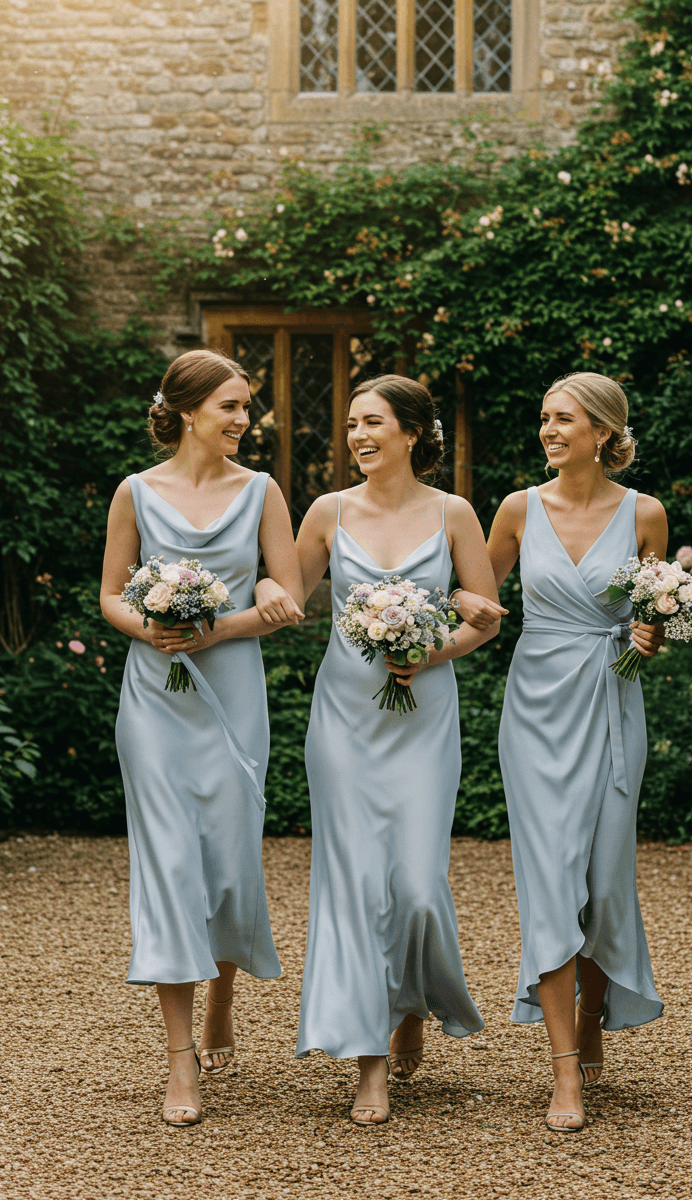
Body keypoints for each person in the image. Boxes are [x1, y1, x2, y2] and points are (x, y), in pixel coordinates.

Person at [257, 375, 499, 1126]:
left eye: (373, 424)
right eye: (353, 425)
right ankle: (368, 1066)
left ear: (411, 433)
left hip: (424, 717)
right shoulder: (328, 512)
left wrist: (436, 647)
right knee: (358, 885)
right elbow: (288, 593)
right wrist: (262, 590)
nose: (359, 436)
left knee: (420, 885)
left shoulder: (454, 513)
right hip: (345, 720)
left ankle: (411, 1003)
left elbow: (487, 618)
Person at [455, 371, 666, 1133]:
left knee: (605, 884)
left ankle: (593, 1014)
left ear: (605, 432)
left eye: (564, 419)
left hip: (612, 704)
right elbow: (474, 595)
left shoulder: (646, 514)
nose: (548, 431)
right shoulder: (516, 509)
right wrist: (431, 624)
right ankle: (564, 1074)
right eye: (544, 418)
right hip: (537, 708)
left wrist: (652, 632)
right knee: (549, 881)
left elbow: (654, 609)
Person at [100, 349, 304, 1127]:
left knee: (225, 865)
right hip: (154, 703)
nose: (244, 420)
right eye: (231, 407)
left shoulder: (262, 492)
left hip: (233, 696)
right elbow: (111, 594)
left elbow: (284, 599)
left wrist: (215, 625)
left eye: (246, 407)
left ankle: (224, 989)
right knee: (171, 867)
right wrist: (150, 628)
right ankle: (180, 1059)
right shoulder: (135, 492)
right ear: (188, 412)